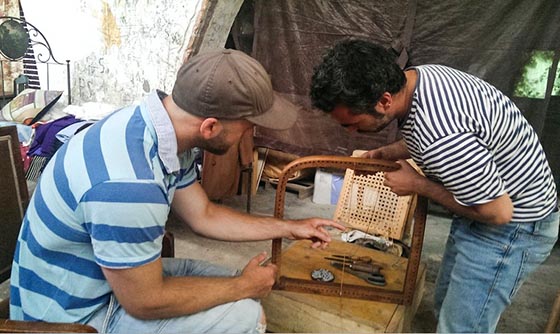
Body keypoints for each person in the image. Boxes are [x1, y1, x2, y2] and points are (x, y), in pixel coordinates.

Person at [10, 49, 345, 333]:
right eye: (249, 127)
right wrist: (240, 287)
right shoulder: (129, 184)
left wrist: (290, 227)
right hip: (72, 317)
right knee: (245, 313)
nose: (250, 136)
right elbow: (144, 301)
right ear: (210, 127)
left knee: (240, 288)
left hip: (101, 282)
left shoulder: (160, 132)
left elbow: (204, 214)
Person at [310, 39, 559, 333]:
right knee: (445, 307)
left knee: (462, 328)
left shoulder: (442, 136)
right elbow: (423, 134)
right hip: (480, 211)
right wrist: (381, 155)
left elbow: (498, 212)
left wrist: (417, 184)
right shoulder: (419, 78)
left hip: (512, 229)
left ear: (384, 101)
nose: (352, 132)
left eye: (352, 123)